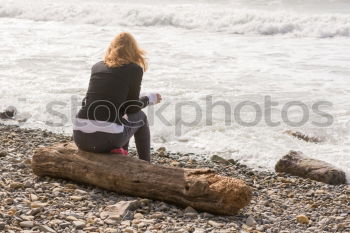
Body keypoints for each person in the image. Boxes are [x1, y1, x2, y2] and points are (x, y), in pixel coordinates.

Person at [73, 32, 161, 162]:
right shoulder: (134, 69)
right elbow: (131, 108)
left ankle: (122, 152)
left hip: (80, 137)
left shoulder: (97, 66)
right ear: (134, 50)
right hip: (108, 139)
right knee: (140, 117)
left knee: (120, 118)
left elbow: (88, 100)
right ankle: (146, 163)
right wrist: (150, 99)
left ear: (111, 48)